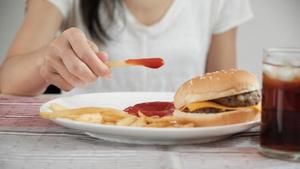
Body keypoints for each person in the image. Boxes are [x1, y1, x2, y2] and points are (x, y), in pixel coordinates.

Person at [0, 0, 253, 96]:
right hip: (87, 144)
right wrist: (46, 62)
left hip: (186, 143)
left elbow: (223, 89)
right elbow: (6, 82)